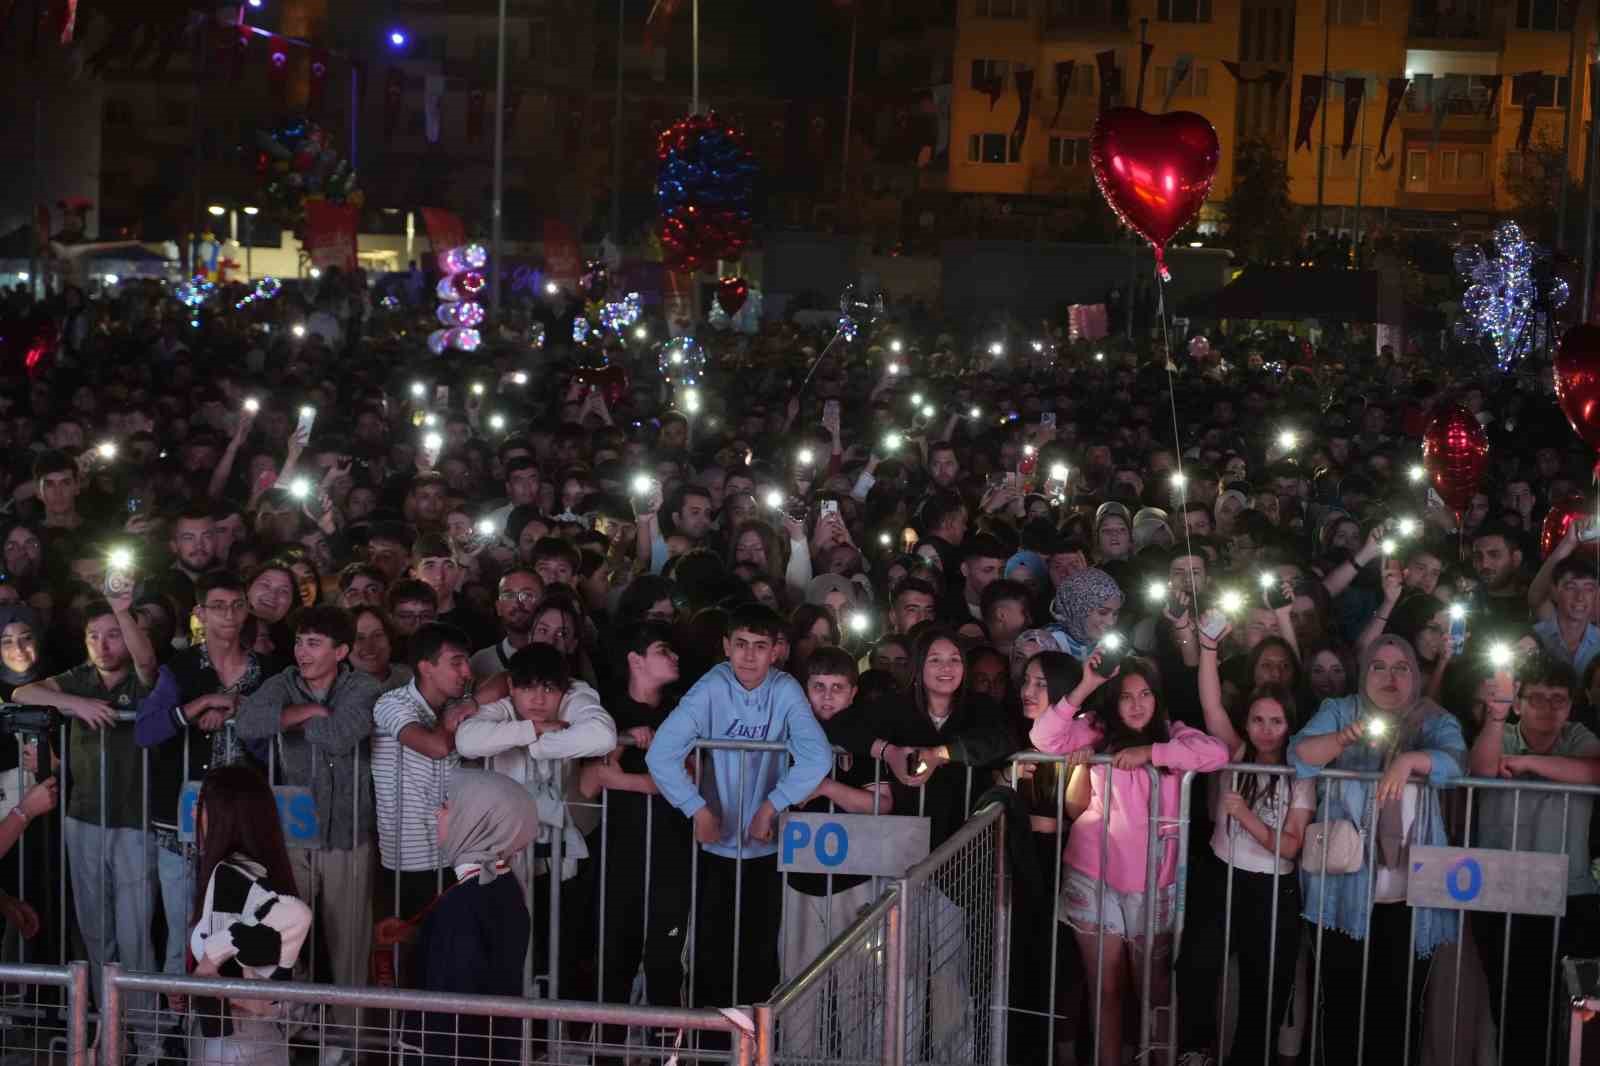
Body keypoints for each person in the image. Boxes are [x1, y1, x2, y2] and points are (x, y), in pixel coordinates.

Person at [1028, 652, 1228, 1066]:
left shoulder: (1176, 737)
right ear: (1112, 701)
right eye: (1126, 697)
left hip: (1155, 883)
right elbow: (1044, 739)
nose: (1137, 704)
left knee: (1154, 992)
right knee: (1105, 990)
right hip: (1093, 875)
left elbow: (1218, 754)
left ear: (1158, 699)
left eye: (1145, 695)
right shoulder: (1095, 732)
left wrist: (1152, 753)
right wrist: (1085, 685)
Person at [1289, 634, 1466, 1066]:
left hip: (1411, 891)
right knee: (1342, 1005)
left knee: (1401, 1007)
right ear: (1364, 672)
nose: (1391, 677)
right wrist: (1343, 739)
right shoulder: (1341, 710)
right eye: (1379, 667)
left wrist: (1410, 760)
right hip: (1343, 887)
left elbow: (1458, 762)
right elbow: (1300, 755)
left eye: (1402, 667)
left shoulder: (1432, 718)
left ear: (1416, 675)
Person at [644, 602, 831, 1009]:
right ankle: (708, 1050)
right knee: (709, 954)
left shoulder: (784, 689)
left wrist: (771, 805)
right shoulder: (712, 686)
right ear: (726, 646)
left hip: (766, 846)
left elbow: (818, 757)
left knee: (761, 955)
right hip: (714, 846)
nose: (749, 655)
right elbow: (660, 754)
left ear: (775, 651)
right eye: (741, 644)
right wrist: (695, 807)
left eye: (759, 646)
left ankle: (753, 1049)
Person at [234, 605, 379, 1066]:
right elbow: (248, 722)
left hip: (349, 833)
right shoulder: (284, 682)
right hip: (294, 833)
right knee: (286, 936)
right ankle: (294, 1031)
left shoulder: (365, 687)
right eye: (299, 641)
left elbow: (340, 735)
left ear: (341, 651)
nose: (302, 651)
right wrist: (308, 708)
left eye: (314, 643)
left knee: (348, 945)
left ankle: (351, 1044)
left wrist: (293, 717)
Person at [1181, 614, 1313, 1066]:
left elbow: (1292, 845)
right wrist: (1210, 649)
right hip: (1223, 877)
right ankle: (1196, 1050)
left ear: (1289, 723)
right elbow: (1211, 704)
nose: (1265, 729)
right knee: (1197, 964)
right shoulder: (1237, 753)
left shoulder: (1302, 777)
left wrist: (1246, 816)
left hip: (1273, 889)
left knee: (1265, 988)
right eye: (1258, 719)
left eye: (1275, 721)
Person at [456, 643, 616, 990]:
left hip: (557, 847)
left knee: (557, 943)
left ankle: (549, 1031)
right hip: (505, 847)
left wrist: (535, 746)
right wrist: (534, 731)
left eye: (548, 688)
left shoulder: (577, 696)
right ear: (512, 686)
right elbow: (467, 741)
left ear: (563, 688)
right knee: (507, 941)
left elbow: (603, 734)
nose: (538, 698)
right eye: (527, 687)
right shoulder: (501, 708)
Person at [1468, 651, 1600, 1058]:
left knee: (1571, 1007)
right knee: (1508, 1004)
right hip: (1503, 891)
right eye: (1537, 698)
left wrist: (1528, 764)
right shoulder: (1502, 733)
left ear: (1571, 705)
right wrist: (1495, 718)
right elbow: (1483, 769)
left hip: (1569, 893)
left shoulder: (1578, 736)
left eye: (1557, 699)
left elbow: (1595, 770)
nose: (1547, 707)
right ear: (1519, 702)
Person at [183, 764, 313, 1066]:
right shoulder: (259, 871)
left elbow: (243, 979)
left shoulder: (231, 877)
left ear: (224, 816)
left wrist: (202, 977)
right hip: (253, 1041)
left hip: (233, 1045)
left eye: (202, 805)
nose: (194, 814)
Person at [410, 770, 540, 1066]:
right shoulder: (503, 885)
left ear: (475, 820)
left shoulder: (466, 901)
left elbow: (453, 1008)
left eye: (447, 805)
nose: (438, 813)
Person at [372, 623, 478, 919]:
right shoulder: (392, 703)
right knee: (413, 950)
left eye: (466, 662)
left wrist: (471, 702)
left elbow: (504, 680)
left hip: (456, 849)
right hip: (410, 857)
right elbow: (435, 747)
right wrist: (451, 719)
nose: (467, 672)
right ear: (425, 667)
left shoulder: (459, 702)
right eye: (456, 663)